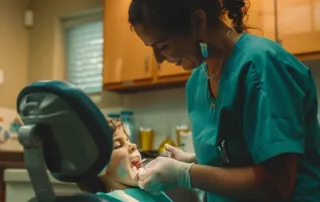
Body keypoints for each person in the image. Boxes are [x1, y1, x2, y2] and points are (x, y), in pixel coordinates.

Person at [128, 0, 320, 201]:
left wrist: (186, 173)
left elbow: (277, 183)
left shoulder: (261, 67)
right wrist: (196, 161)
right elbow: (237, 154)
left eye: (163, 45)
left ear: (198, 22)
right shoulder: (197, 82)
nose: (158, 59)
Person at [96, 117, 173, 202]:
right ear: (100, 167)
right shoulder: (107, 200)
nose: (133, 145)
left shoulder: (149, 191)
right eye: (118, 145)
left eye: (128, 140)